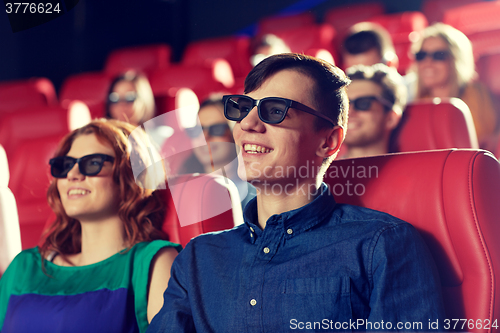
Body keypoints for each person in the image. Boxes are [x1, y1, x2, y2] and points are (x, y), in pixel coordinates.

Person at [147, 54, 445, 332]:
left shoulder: (381, 245)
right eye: (243, 108)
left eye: (275, 111)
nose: (247, 125)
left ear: (328, 141)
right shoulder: (197, 258)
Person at [0, 119, 181, 333]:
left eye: (93, 163)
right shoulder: (24, 267)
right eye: (65, 165)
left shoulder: (154, 262)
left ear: (132, 174)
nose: (72, 175)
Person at [411, 22, 498, 147]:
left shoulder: (476, 94)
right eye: (421, 56)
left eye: (438, 55)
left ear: (455, 60)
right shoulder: (414, 104)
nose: (427, 62)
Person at [184, 96, 256, 209]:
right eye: (198, 130)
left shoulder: (256, 195)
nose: (204, 137)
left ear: (236, 133)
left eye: (217, 129)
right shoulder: (181, 188)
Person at [342, 63, 407, 158]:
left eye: (364, 103)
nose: (349, 112)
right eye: (344, 104)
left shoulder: (411, 171)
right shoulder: (318, 171)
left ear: (391, 118)